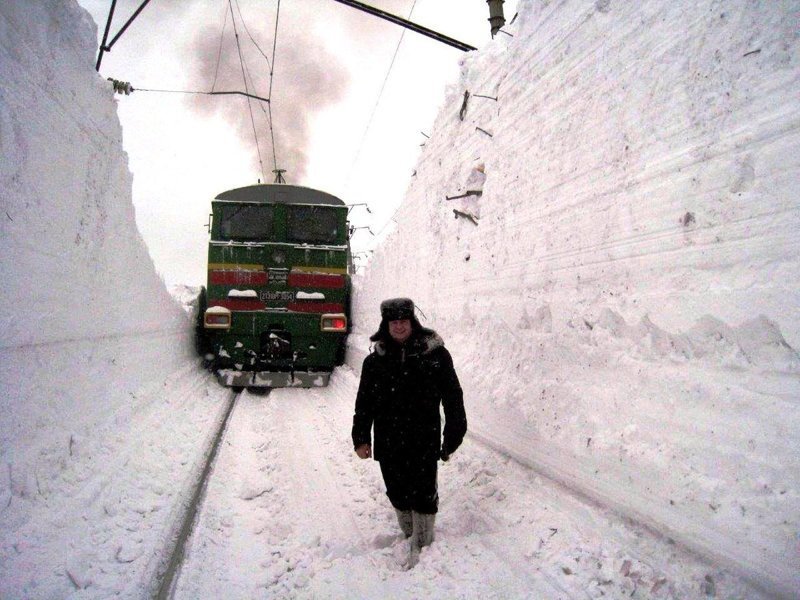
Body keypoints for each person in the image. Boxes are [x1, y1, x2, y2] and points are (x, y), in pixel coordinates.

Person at [352, 297, 467, 563]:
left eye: (404, 321)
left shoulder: (435, 355)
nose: (399, 326)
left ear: (412, 322)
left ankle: (423, 544)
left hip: (423, 437)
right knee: (397, 489)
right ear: (386, 324)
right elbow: (364, 402)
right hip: (388, 438)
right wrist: (360, 437)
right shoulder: (374, 362)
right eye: (394, 322)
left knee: (424, 491)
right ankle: (408, 534)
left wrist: (453, 434)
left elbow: (453, 397)